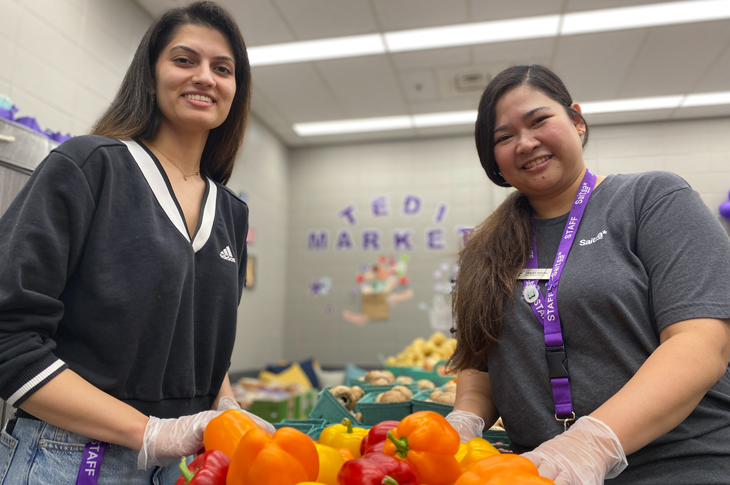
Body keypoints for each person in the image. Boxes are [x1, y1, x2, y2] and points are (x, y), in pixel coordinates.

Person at [0, 2, 275, 483]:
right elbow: (8, 338)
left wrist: (225, 404)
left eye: (223, 68)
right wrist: (148, 431)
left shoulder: (232, 212)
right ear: (150, 75)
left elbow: (202, 348)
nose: (205, 77)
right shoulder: (88, 167)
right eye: (184, 60)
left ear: (237, 91)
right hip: (68, 457)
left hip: (179, 464)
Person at [445, 65, 730, 484]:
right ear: (495, 161)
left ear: (576, 121)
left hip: (680, 462)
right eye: (503, 137)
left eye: (539, 120)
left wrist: (593, 442)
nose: (525, 143)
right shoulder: (483, 251)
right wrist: (465, 417)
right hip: (541, 471)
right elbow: (482, 364)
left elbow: (701, 344)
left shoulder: (652, 200)